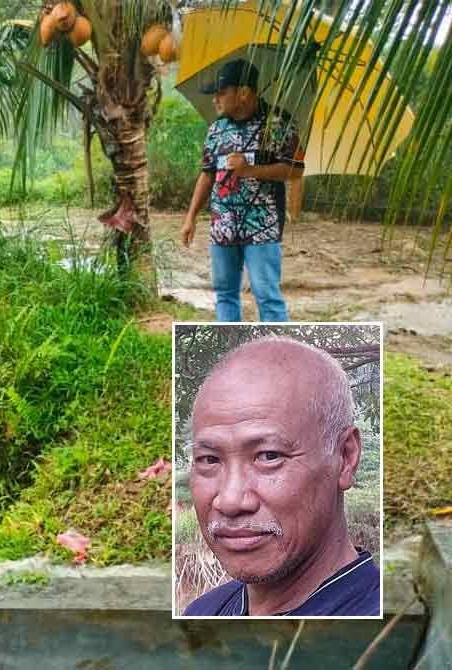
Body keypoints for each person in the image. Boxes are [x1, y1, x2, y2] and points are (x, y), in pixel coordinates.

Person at [183, 336, 380, 616]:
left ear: (345, 458)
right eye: (209, 460)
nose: (229, 501)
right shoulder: (202, 614)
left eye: (268, 456)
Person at [180, 59, 306, 322]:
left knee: (266, 295)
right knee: (225, 293)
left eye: (222, 92)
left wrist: (250, 170)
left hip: (262, 226)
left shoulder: (279, 123)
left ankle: (279, 360)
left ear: (245, 93)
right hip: (222, 224)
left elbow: (295, 170)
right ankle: (231, 357)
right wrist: (190, 217)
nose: (215, 99)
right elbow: (207, 174)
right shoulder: (216, 129)